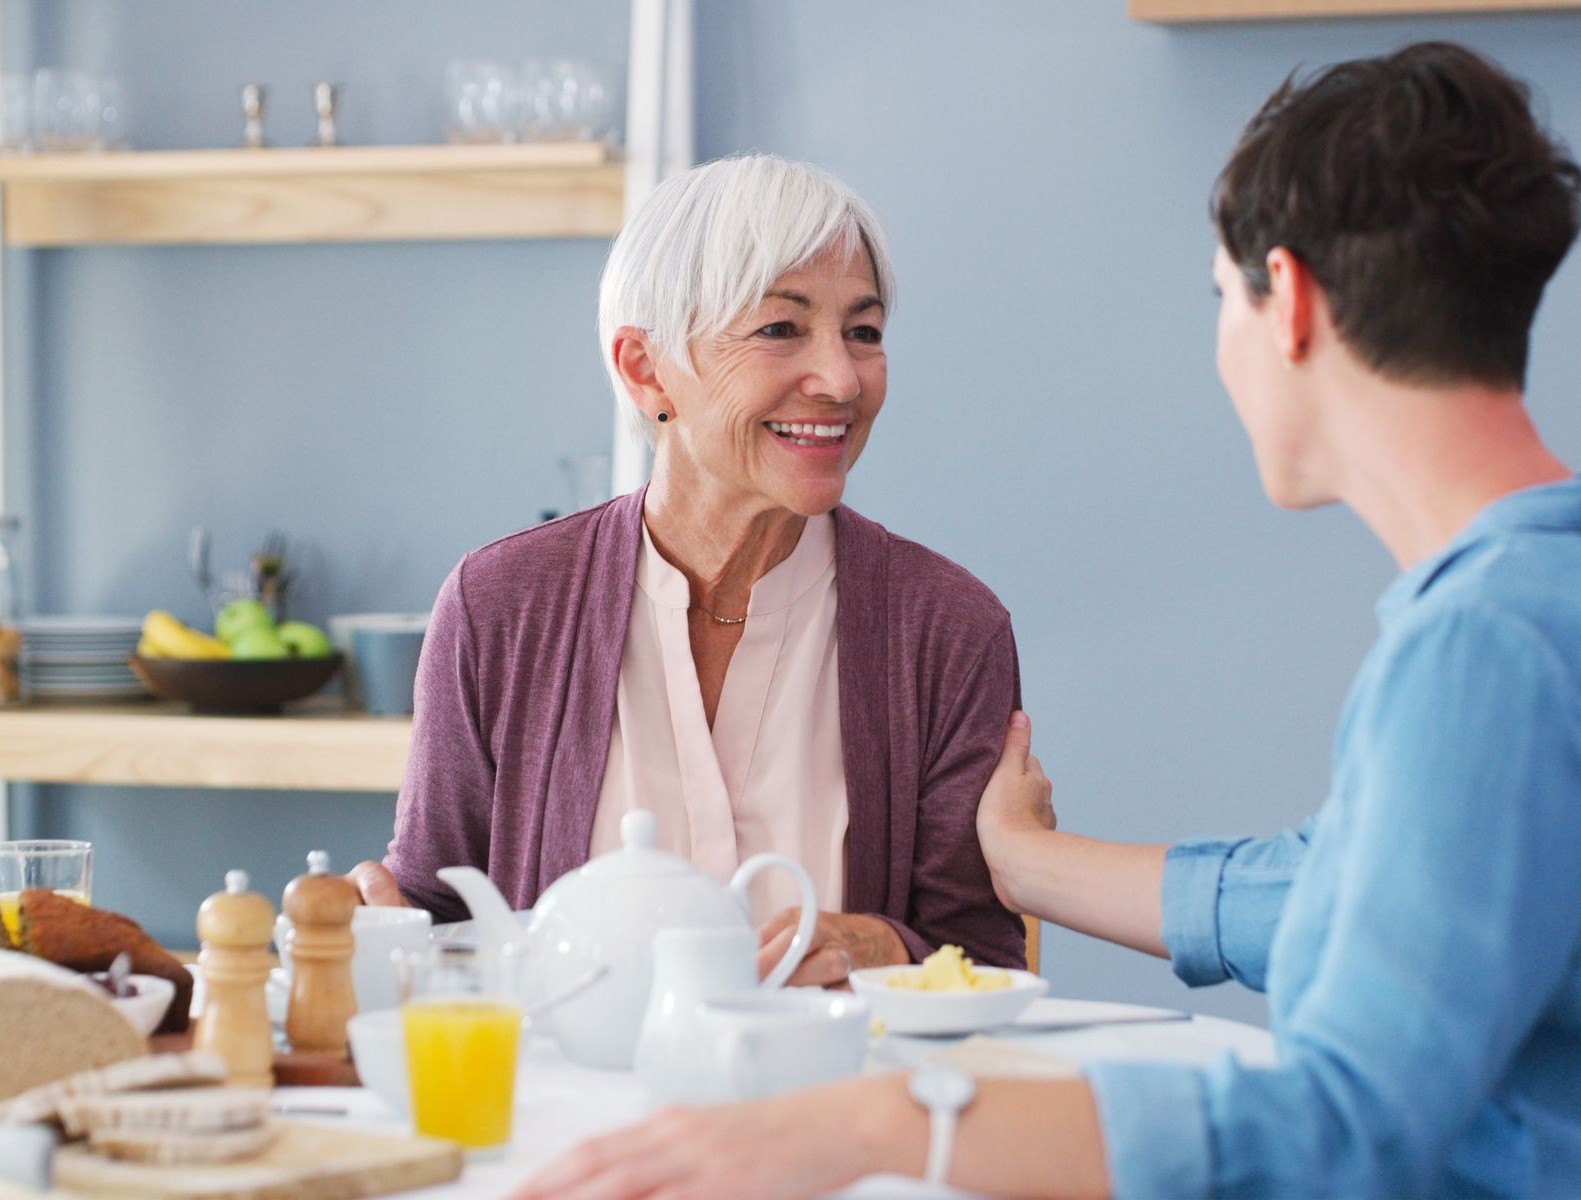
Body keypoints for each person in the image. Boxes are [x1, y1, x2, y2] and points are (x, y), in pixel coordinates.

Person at [513, 41, 1581, 1199]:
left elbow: (1346, 1123)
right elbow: (1342, 894)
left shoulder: (1486, 648)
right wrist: (1030, 862)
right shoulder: (1524, 604)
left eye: (1221, 299)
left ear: (1293, 304)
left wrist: (886, 1121)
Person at [349, 154, 1030, 983]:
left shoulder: (949, 629)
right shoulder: (500, 606)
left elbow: (985, 961)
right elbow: (438, 914)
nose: (842, 378)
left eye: (863, 330)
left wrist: (887, 951)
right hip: (570, 1108)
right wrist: (376, 931)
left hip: (837, 1105)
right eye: (781, 329)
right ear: (646, 368)